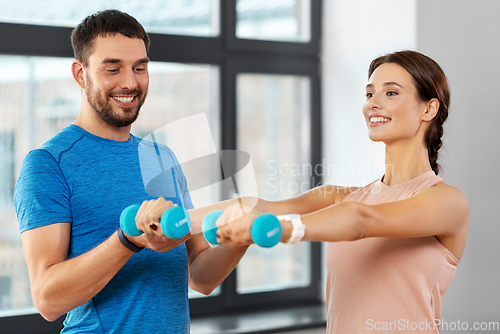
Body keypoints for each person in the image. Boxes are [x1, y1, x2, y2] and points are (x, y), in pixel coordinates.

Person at [13, 10, 250, 333]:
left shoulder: (162, 156)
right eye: (113, 69)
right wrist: (128, 241)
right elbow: (47, 300)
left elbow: (200, 277)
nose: (130, 82)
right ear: (80, 75)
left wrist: (240, 239)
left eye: (140, 68)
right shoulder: (48, 163)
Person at [213, 50, 470, 333]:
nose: (373, 103)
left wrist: (279, 229)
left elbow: (362, 220)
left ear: (428, 109)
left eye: (391, 93)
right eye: (370, 94)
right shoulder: (339, 196)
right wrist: (179, 221)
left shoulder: (447, 202)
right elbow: (258, 207)